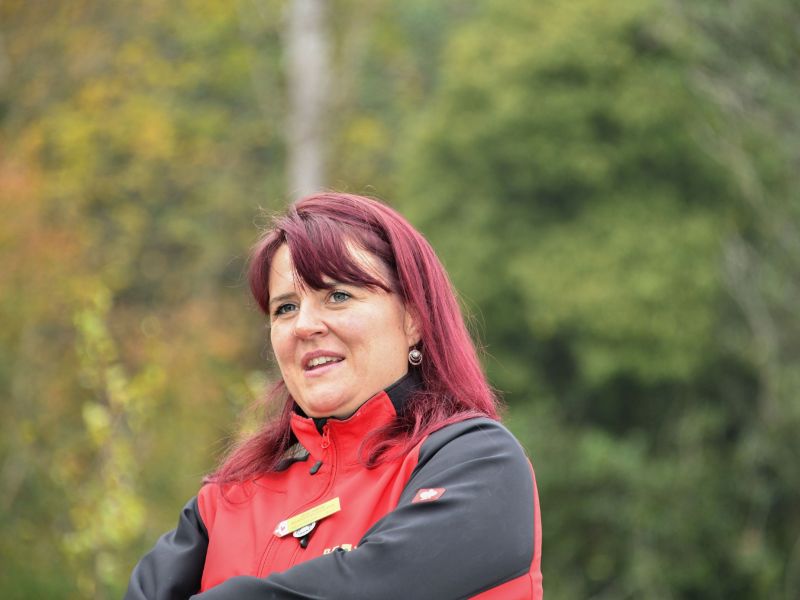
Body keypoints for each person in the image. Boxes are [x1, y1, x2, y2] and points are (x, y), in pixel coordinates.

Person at [125, 192, 543, 599]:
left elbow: (373, 587)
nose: (304, 325)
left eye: (338, 296)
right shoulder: (224, 502)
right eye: (285, 308)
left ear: (413, 318)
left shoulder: (480, 464)